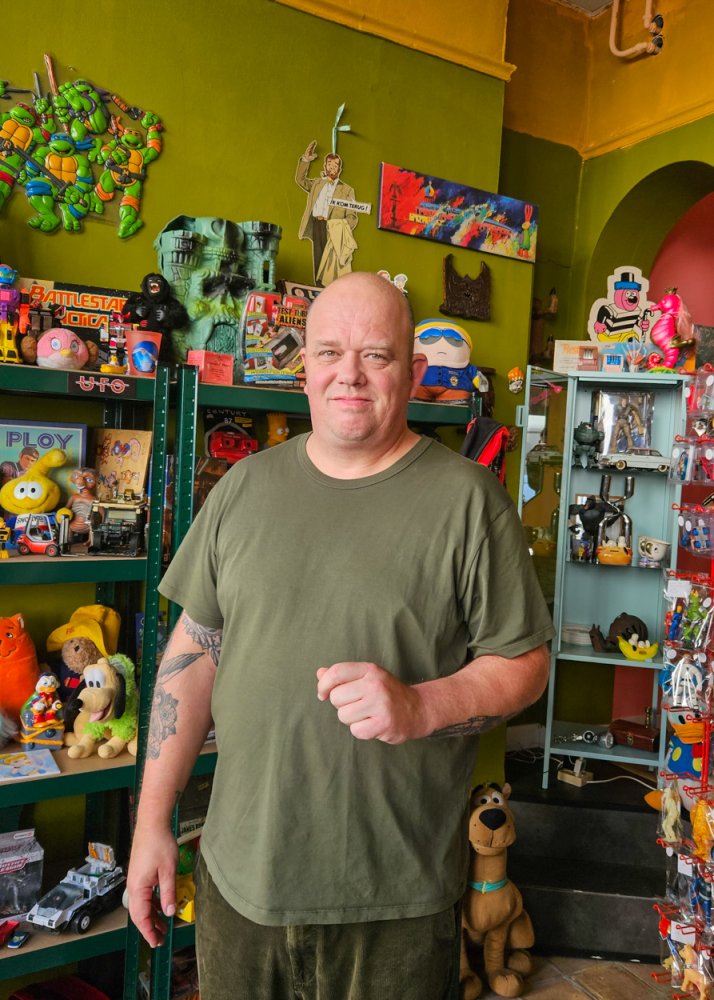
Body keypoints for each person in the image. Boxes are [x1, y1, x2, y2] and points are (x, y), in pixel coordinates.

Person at [126, 271, 553, 1000]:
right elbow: (194, 654)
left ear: (413, 372)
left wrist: (421, 705)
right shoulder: (243, 488)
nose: (348, 374)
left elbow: (525, 663)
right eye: (329, 352)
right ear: (305, 367)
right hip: (241, 885)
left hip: (392, 901)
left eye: (376, 356)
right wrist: (150, 823)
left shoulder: (468, 500)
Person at [295, 142, 358, 286]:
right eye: (329, 164)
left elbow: (352, 217)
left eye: (335, 165)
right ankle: (318, 290)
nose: (332, 168)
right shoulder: (317, 183)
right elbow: (300, 180)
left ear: (340, 169)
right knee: (318, 260)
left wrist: (340, 227)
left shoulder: (347, 190)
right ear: (325, 166)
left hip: (333, 229)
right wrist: (306, 159)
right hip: (316, 225)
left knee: (331, 264)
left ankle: (332, 290)